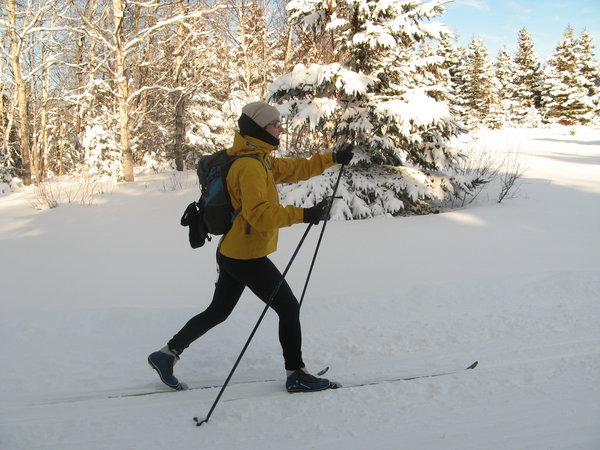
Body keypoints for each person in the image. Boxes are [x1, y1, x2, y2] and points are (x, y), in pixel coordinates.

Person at [148, 101, 353, 392]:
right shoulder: (249, 166)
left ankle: (165, 355)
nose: (280, 129)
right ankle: (296, 374)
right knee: (288, 308)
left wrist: (333, 158)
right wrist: (304, 214)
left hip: (232, 251)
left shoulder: (257, 158)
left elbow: (296, 168)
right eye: (275, 125)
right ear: (258, 128)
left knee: (218, 311)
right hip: (246, 255)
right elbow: (261, 215)